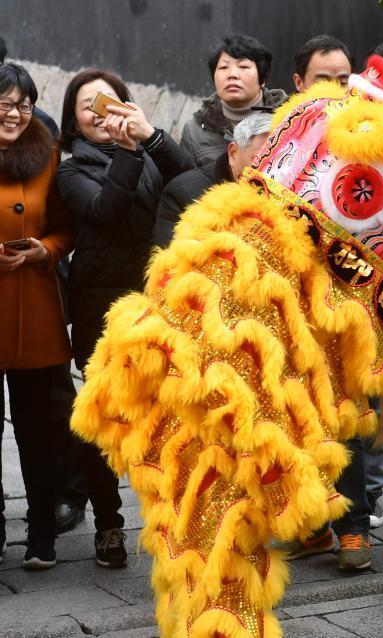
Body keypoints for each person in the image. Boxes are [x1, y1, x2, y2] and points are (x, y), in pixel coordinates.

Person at [56, 68, 193, 568]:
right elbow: (106, 210)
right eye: (88, 106)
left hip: (156, 296)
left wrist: (150, 136)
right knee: (105, 419)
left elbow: (188, 178)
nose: (100, 113)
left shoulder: (145, 148)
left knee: (168, 413)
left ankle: (173, 516)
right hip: (102, 306)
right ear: (74, 119)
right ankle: (109, 524)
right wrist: (130, 155)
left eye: (109, 102)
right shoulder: (70, 171)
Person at [0, 63, 73, 570]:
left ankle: (42, 532)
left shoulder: (47, 152)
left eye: (23, 104)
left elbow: (67, 229)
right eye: (4, 103)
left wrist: (43, 250)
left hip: (33, 306)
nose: (14, 113)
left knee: (34, 428)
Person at [153, 112, 271, 248]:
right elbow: (171, 261)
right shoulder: (183, 194)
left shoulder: (289, 202)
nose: (271, 172)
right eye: (262, 160)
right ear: (233, 153)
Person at [180, 34, 286, 167]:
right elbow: (185, 184)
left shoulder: (290, 119)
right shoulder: (195, 131)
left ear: (262, 79)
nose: (232, 75)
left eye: (243, 67)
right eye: (224, 68)